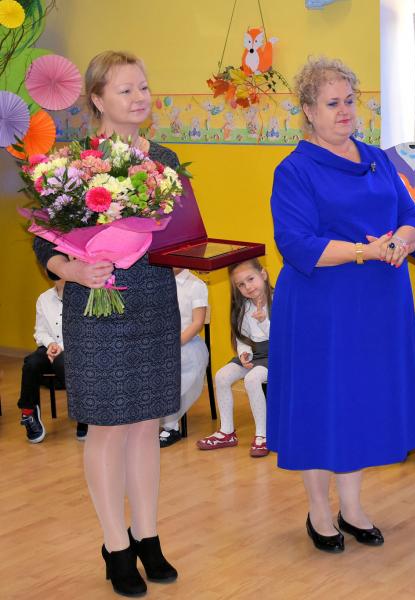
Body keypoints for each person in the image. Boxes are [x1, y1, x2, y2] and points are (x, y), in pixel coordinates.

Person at [33, 51, 180, 596]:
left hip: (153, 301)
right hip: (98, 305)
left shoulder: (164, 159)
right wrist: (74, 268)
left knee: (146, 424)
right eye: (125, 89)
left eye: (143, 87)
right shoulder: (73, 164)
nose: (139, 97)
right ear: (97, 98)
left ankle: (147, 536)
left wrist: (188, 251)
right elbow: (42, 244)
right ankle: (116, 545)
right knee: (109, 426)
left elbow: (179, 229)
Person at [268, 56, 415, 553]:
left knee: (356, 402)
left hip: (377, 304)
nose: (344, 111)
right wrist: (366, 251)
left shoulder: (376, 157)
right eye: (332, 103)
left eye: (350, 101)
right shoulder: (294, 170)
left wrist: (402, 239)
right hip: (322, 307)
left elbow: (411, 214)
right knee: (321, 404)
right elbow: (296, 243)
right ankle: (319, 511)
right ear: (308, 111)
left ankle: (352, 508)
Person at [196, 259, 271, 458]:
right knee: (221, 376)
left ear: (263, 274)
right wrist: (244, 353)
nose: (248, 287)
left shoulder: (278, 300)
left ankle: (263, 435)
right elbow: (241, 337)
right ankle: (227, 431)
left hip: (275, 355)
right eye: (241, 285)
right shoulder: (243, 307)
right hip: (255, 354)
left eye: (251, 279)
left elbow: (283, 337)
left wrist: (264, 321)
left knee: (252, 379)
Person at [17, 278, 88, 443]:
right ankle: (29, 414)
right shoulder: (43, 298)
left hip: (73, 347)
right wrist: (51, 344)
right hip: (49, 347)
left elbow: (83, 331)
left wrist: (60, 347)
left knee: (62, 362)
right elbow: (40, 331)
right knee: (31, 364)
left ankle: (84, 416)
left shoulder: (82, 296)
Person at [159, 268, 209, 447]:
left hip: (186, 344)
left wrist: (173, 344)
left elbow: (197, 323)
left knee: (170, 369)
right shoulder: (158, 280)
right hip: (160, 343)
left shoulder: (196, 285)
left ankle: (171, 426)